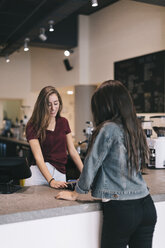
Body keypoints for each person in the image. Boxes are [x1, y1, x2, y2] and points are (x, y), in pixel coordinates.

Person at [56, 80, 157, 248]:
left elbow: (91, 164)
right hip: (146, 205)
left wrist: (77, 193)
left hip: (121, 209)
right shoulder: (134, 127)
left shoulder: (108, 128)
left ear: (105, 106)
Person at [25, 86, 83, 188]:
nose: (53, 108)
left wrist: (86, 174)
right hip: (38, 174)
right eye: (49, 105)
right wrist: (51, 180)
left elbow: (72, 151)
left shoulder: (63, 122)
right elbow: (38, 157)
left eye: (56, 103)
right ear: (42, 106)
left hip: (60, 174)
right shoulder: (32, 125)